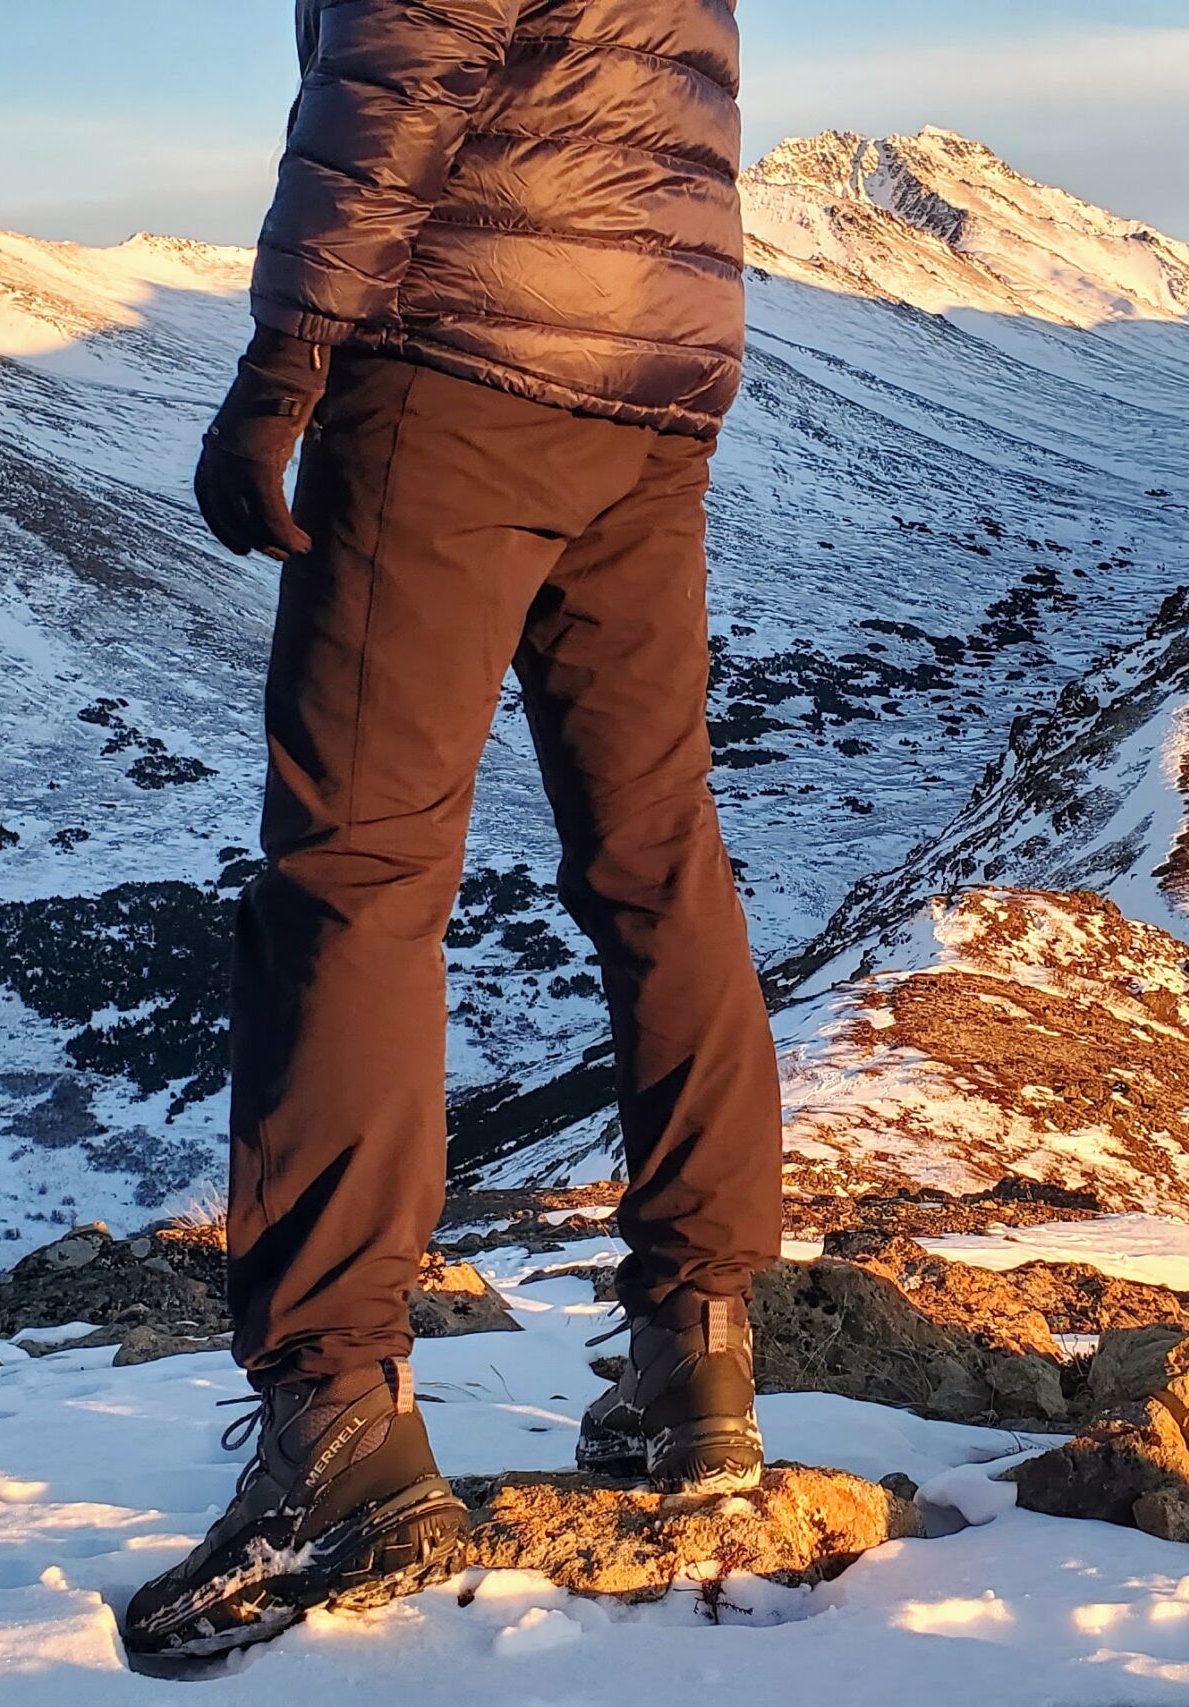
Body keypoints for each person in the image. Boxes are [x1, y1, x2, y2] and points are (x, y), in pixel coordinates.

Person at [123, 0, 779, 1662]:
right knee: (654, 855)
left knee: (354, 873)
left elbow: (400, 75)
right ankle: (695, 1362)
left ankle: (338, 1425)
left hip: (459, 362)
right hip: (657, 369)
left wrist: (282, 367)